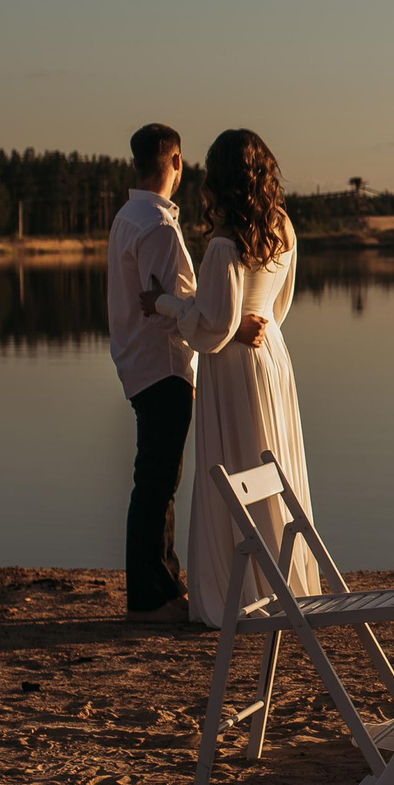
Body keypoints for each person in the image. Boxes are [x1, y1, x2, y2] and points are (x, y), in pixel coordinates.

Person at [141, 128, 321, 628]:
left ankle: (240, 589)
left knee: (237, 469)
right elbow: (276, 309)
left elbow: (213, 329)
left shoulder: (223, 244)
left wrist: (164, 302)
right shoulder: (283, 227)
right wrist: (253, 326)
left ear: (217, 179)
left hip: (234, 370)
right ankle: (284, 579)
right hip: (272, 359)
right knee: (272, 465)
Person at [105, 123, 262, 625]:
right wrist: (234, 328)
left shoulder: (127, 218)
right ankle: (150, 598)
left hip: (139, 361)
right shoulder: (158, 227)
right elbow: (176, 304)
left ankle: (163, 585)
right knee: (157, 481)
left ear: (136, 163)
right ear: (175, 162)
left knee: (156, 478)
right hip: (165, 365)